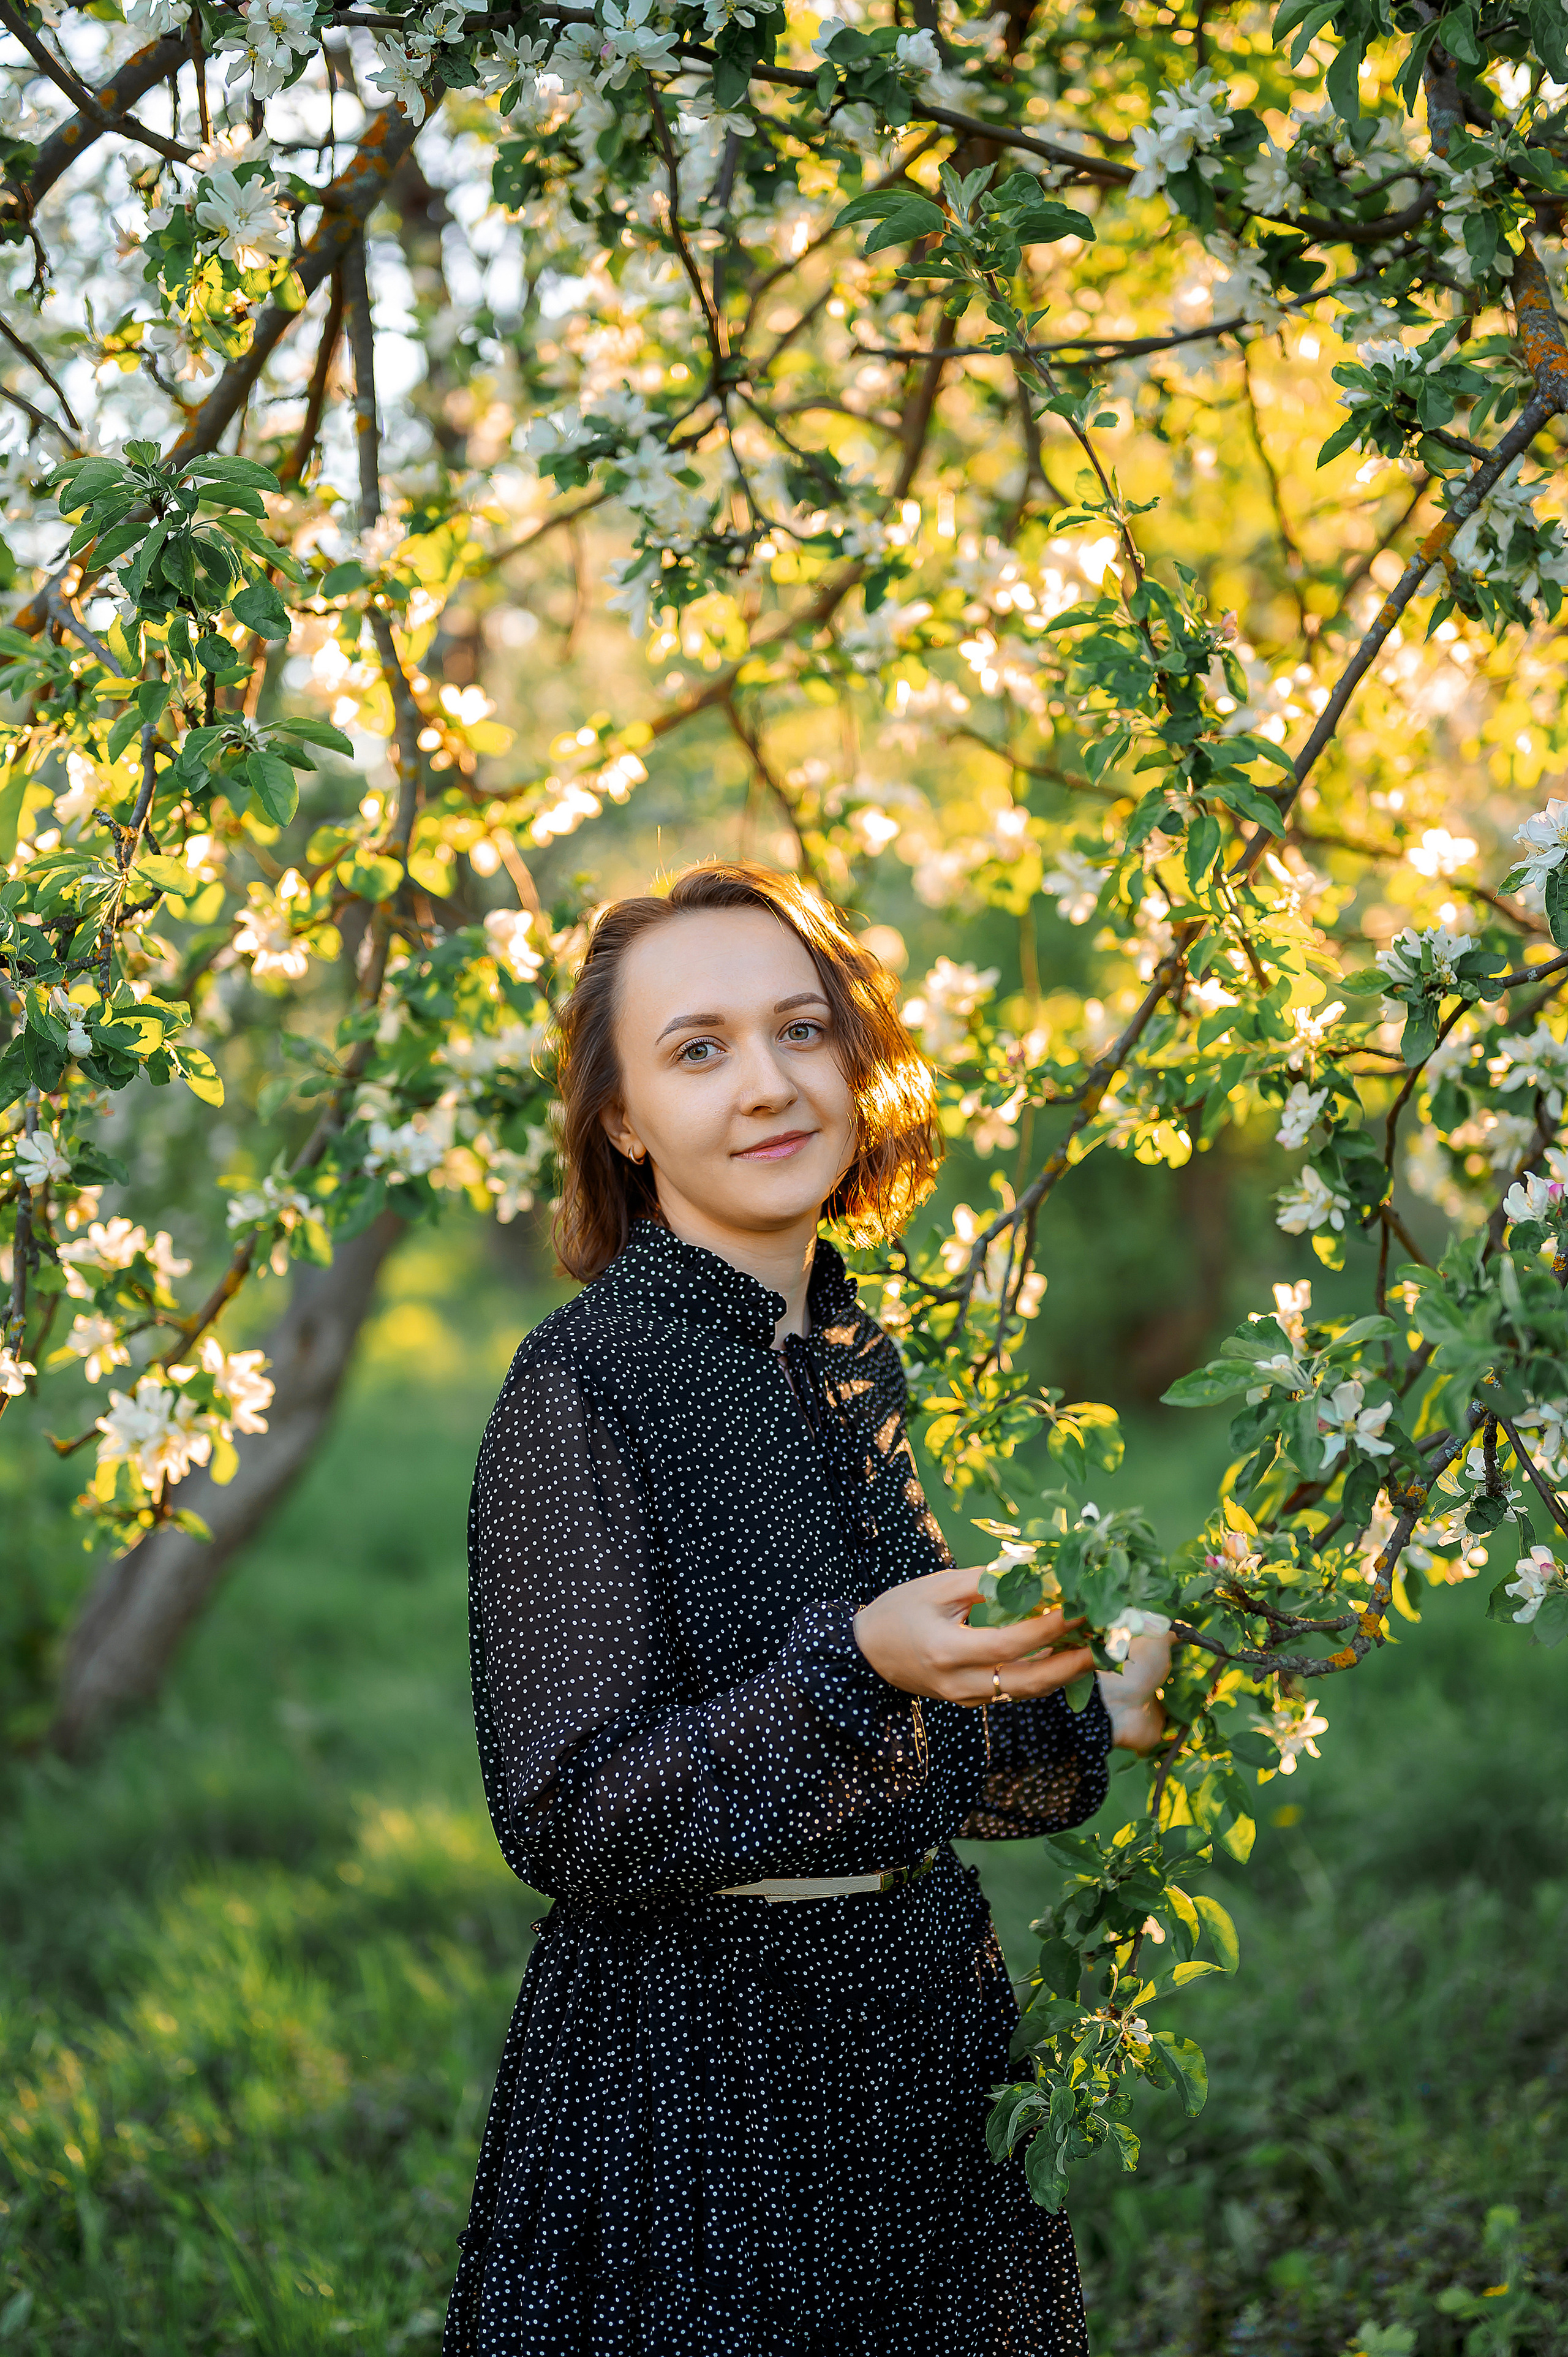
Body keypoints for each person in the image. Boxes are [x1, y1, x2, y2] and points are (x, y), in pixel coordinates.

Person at [443, 861, 1170, 2357]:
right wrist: (849, 1666)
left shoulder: (846, 1353)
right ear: (623, 1120)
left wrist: (1086, 1694)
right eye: (697, 1049)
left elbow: (933, 1770)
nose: (767, 1085)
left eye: (800, 1029)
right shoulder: (583, 1382)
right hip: (691, 2085)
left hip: (915, 2039)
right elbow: (567, 1815)